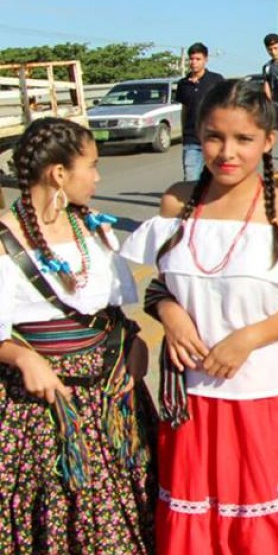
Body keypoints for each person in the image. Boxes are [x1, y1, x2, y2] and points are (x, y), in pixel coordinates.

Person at [121, 80, 278, 555]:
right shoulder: (175, 204)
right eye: (214, 137)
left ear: (268, 141)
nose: (227, 152)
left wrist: (248, 339)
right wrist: (171, 315)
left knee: (269, 534)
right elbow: (160, 286)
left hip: (269, 396)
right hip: (194, 399)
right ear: (197, 135)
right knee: (202, 534)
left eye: (243, 139)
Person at [0, 117, 156, 554]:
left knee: (128, 504)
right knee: (58, 507)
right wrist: (22, 357)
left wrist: (136, 344)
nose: (98, 177)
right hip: (43, 412)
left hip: (112, 402)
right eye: (92, 165)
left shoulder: (94, 229)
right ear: (59, 174)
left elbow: (116, 315)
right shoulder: (3, 239)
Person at [173, 42, 224, 182]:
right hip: (192, 140)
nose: (194, 62)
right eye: (192, 59)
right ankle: (192, 203)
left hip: (214, 139)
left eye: (198, 59)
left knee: (216, 180)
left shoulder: (216, 80)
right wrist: (184, 133)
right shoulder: (183, 84)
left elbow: (225, 106)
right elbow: (185, 109)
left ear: (205, 60)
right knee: (190, 179)